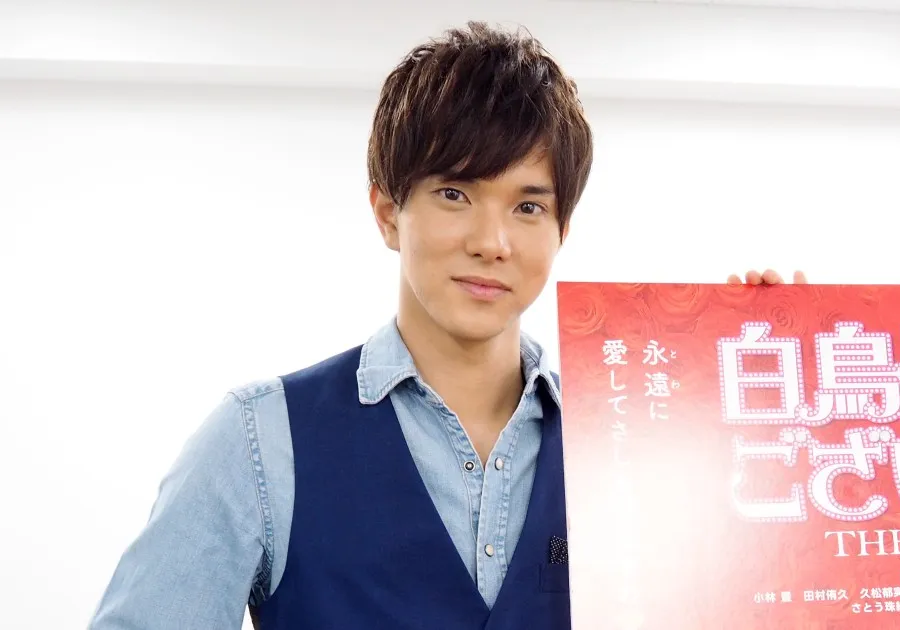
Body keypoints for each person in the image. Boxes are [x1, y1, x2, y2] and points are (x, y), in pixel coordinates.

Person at [87, 21, 805, 630]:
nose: (492, 242)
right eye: (456, 193)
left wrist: (786, 407)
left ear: (562, 229)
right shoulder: (258, 439)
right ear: (387, 212)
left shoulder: (637, 444)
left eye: (529, 207)